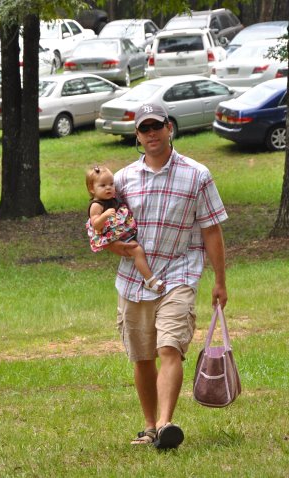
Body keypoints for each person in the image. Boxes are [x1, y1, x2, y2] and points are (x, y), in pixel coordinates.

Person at [106, 103, 228, 450]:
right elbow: (104, 228)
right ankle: (149, 427)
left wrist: (220, 281)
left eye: (157, 126)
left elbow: (212, 230)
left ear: (169, 127)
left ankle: (164, 424)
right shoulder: (123, 180)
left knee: (169, 347)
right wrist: (115, 247)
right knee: (143, 357)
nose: (152, 134)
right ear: (137, 135)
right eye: (144, 129)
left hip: (179, 273)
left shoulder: (197, 175)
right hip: (134, 281)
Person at [85, 165, 165, 292]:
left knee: (138, 249)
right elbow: (96, 225)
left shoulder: (113, 198)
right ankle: (149, 280)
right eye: (103, 185)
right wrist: (104, 216)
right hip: (113, 237)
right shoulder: (96, 205)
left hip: (122, 232)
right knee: (137, 251)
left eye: (111, 184)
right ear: (92, 189)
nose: (108, 188)